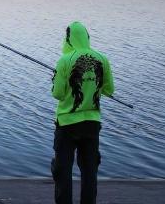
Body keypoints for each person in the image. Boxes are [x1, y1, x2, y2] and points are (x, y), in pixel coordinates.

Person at [51, 21, 114, 204]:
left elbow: (58, 93)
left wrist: (56, 79)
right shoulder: (102, 58)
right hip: (92, 124)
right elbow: (109, 90)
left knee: (63, 172)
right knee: (89, 172)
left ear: (68, 38)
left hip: (67, 124)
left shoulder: (65, 60)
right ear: (87, 37)